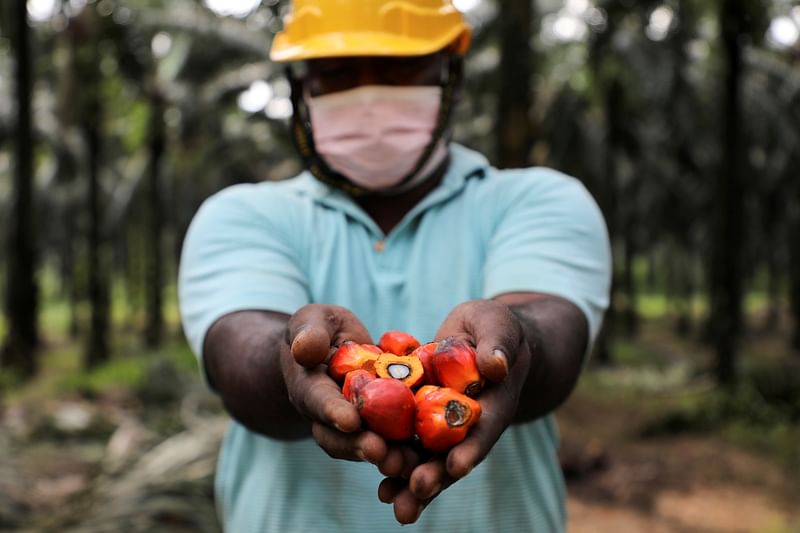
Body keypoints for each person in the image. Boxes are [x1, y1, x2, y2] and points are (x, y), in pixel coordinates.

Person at [178, 0, 612, 531]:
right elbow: (237, 353)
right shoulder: (241, 215)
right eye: (337, 72)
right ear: (301, 87)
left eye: (397, 66)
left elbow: (555, 333)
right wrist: (290, 362)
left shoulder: (541, 200)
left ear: (448, 75)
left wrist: (514, 345)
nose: (368, 95)